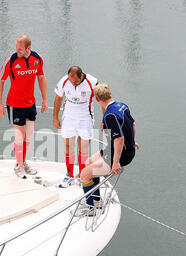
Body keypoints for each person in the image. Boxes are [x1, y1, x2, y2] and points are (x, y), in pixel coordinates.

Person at [78, 83, 139, 216]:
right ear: (110, 94)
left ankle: (91, 209)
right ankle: (97, 201)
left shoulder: (110, 115)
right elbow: (132, 124)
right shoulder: (122, 106)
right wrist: (132, 141)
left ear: (97, 99)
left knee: (84, 174)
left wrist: (116, 162)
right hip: (116, 150)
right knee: (88, 162)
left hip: (119, 155)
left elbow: (119, 139)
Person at [0, 35, 48, 179]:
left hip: (30, 103)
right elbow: (0, 82)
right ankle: (19, 165)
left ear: (28, 48)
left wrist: (45, 99)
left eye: (20, 49)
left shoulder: (37, 59)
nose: (17, 51)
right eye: (16, 48)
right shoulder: (11, 60)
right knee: (20, 135)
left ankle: (23, 162)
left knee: (29, 135)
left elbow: (41, 77)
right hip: (14, 104)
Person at [53, 66, 98, 188]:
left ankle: (82, 176)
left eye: (76, 81)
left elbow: (101, 98)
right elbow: (58, 98)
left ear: (82, 76)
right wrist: (55, 117)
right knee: (68, 146)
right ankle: (69, 175)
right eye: (71, 81)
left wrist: (104, 119)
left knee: (83, 148)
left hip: (85, 118)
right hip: (69, 118)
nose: (73, 83)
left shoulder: (92, 82)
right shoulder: (64, 81)